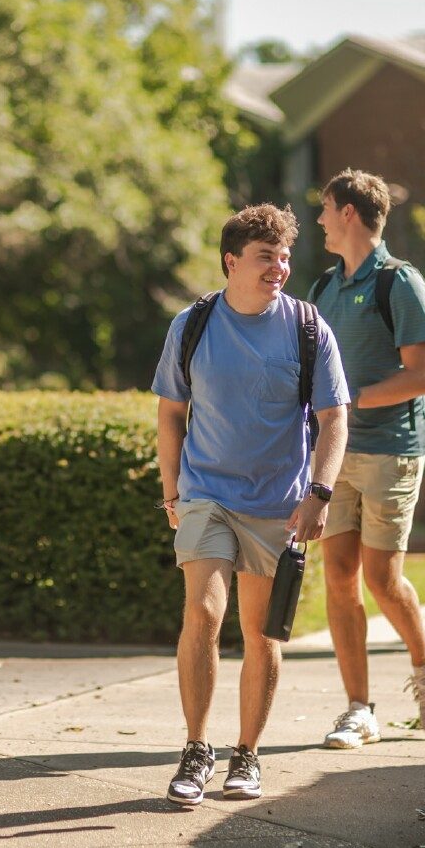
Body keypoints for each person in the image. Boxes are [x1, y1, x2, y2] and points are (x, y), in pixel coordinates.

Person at [152, 204, 349, 804]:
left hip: (277, 503)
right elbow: (170, 413)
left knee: (262, 634)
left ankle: (247, 755)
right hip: (207, 494)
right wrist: (172, 493)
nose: (280, 267)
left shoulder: (308, 327)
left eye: (285, 257)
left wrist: (319, 493)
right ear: (232, 260)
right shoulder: (192, 324)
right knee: (203, 614)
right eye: (267, 256)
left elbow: (334, 417)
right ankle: (196, 750)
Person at [311, 169, 425, 747]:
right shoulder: (322, 289)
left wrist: (348, 400)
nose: (319, 220)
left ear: (349, 212)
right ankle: (357, 710)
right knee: (338, 577)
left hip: (391, 449)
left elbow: (422, 376)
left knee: (382, 577)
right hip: (334, 453)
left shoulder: (401, 282)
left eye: (324, 208)